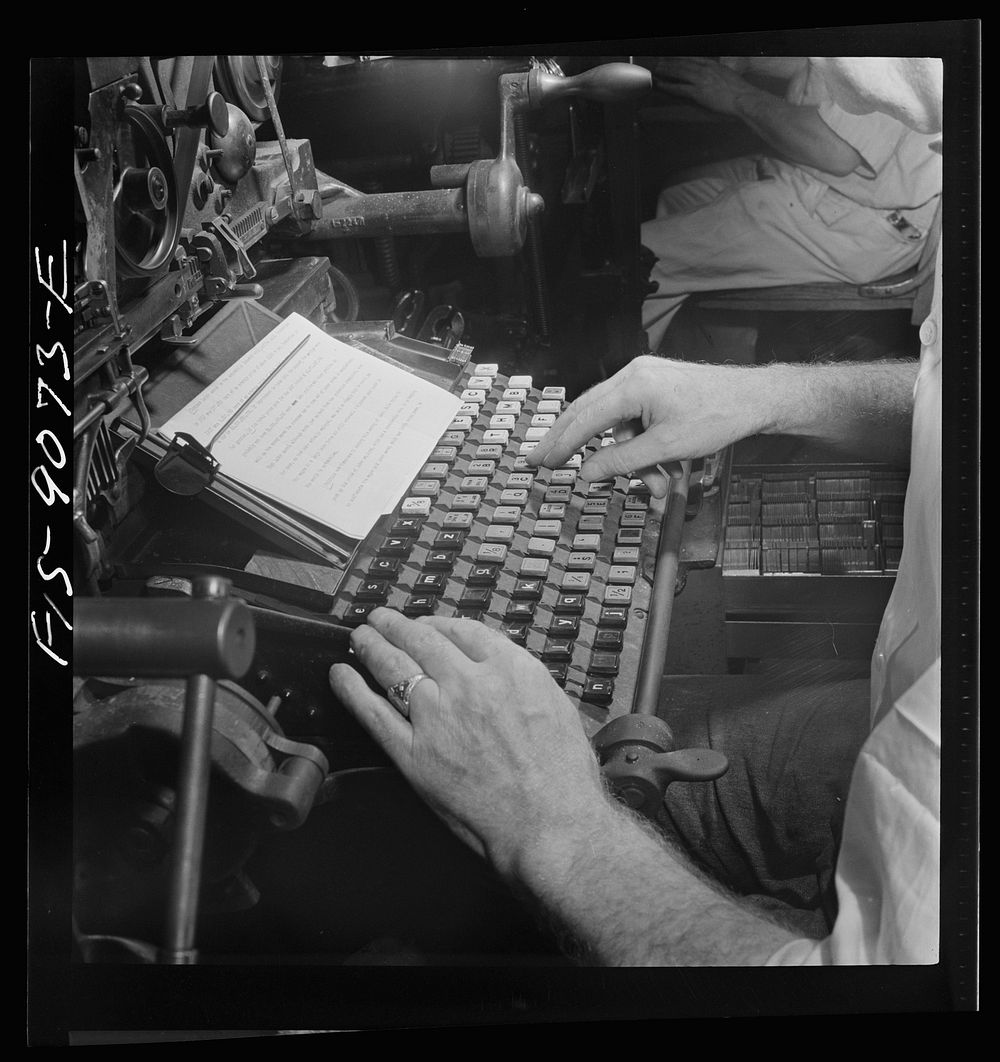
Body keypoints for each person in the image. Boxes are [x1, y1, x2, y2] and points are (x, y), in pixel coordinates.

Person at [328, 57, 942, 965]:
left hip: (933, 769)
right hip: (897, 704)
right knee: (665, 750)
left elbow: (860, 979)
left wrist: (554, 830)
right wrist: (768, 396)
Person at [639, 56, 942, 353]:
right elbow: (827, 65)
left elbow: (835, 151)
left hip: (872, 218)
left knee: (645, 258)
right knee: (677, 196)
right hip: (834, 182)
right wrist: (748, 61)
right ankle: (718, 365)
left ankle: (620, 390)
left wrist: (737, 96)